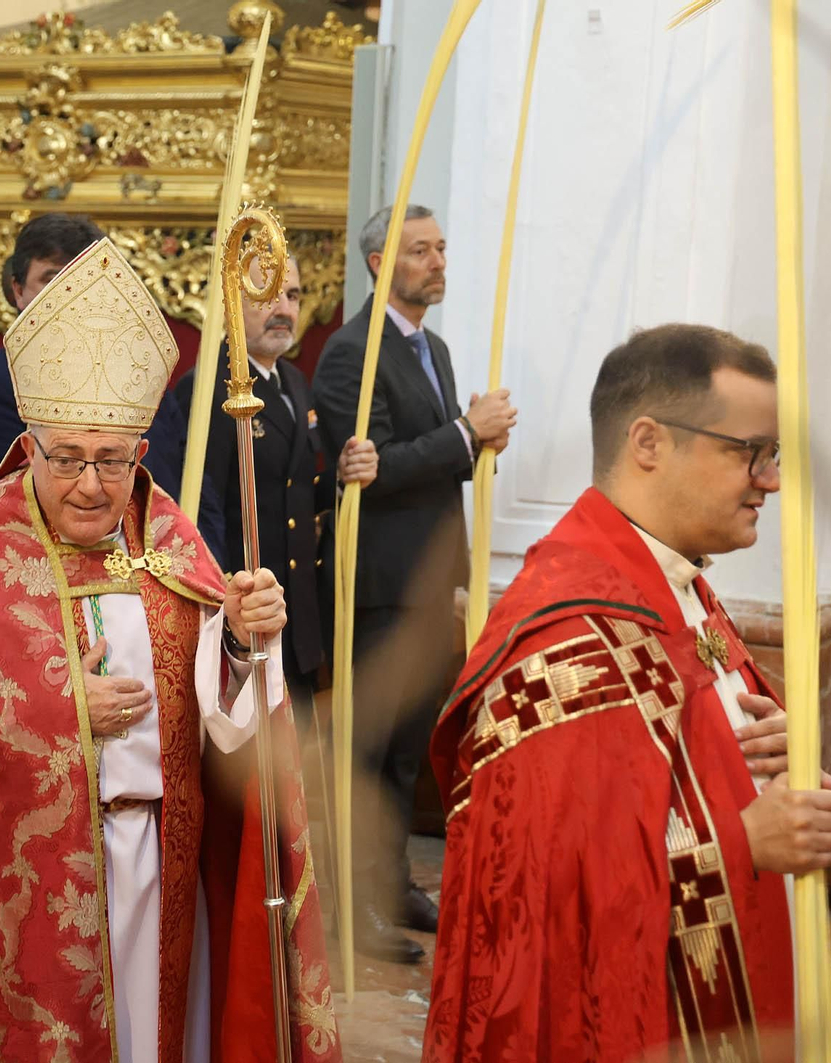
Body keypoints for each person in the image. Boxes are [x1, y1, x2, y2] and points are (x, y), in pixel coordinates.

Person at [0, 238, 340, 1062]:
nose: (91, 484)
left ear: (140, 456)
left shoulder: (171, 538)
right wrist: (56, 712)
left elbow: (226, 721)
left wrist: (237, 640)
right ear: (30, 450)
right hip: (28, 889)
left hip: (165, 865)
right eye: (70, 459)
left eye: (113, 460)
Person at [425, 323, 831, 1060]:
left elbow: (674, 779)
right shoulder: (564, 641)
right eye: (750, 452)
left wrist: (768, 756)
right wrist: (744, 842)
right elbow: (535, 905)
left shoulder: (681, 590)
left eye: (773, 455)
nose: (770, 479)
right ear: (648, 442)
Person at [312, 203, 517, 963]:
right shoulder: (350, 352)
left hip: (431, 583)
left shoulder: (433, 346)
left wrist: (472, 437)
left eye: (440, 248)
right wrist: (467, 433)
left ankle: (393, 883)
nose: (437, 262)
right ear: (378, 262)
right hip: (380, 586)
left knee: (406, 752)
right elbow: (375, 468)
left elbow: (435, 465)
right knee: (369, 752)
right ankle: (353, 903)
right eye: (420, 250)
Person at [175, 253, 378, 724]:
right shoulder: (207, 389)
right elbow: (201, 513)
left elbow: (295, 492)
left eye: (293, 295)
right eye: (265, 296)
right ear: (230, 303)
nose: (284, 308)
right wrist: (223, 606)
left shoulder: (293, 382)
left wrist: (342, 475)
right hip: (245, 617)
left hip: (295, 612)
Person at [0, 213, 193, 505]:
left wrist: (194, 548)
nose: (70, 297)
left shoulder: (142, 377)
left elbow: (194, 486)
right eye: (54, 281)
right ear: (18, 290)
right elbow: (0, 511)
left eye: (82, 282)